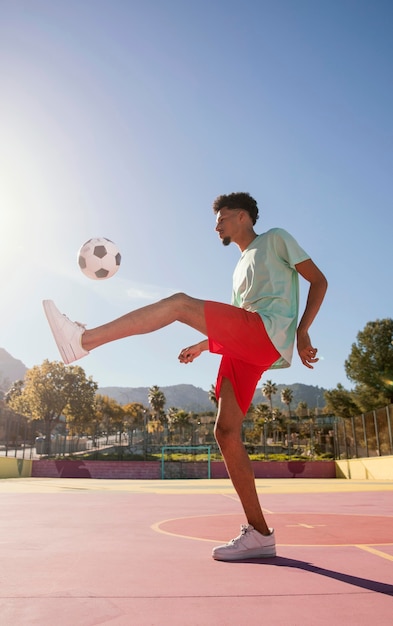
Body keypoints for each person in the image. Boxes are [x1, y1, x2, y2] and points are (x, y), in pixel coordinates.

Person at [43, 192, 327, 561]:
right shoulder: (240, 267)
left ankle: (83, 340)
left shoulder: (275, 238)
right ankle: (259, 532)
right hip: (248, 342)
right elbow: (236, 322)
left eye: (223, 218)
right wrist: (203, 345)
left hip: (266, 331)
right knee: (225, 432)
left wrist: (303, 330)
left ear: (243, 217)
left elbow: (318, 280)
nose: (217, 225)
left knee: (178, 303)